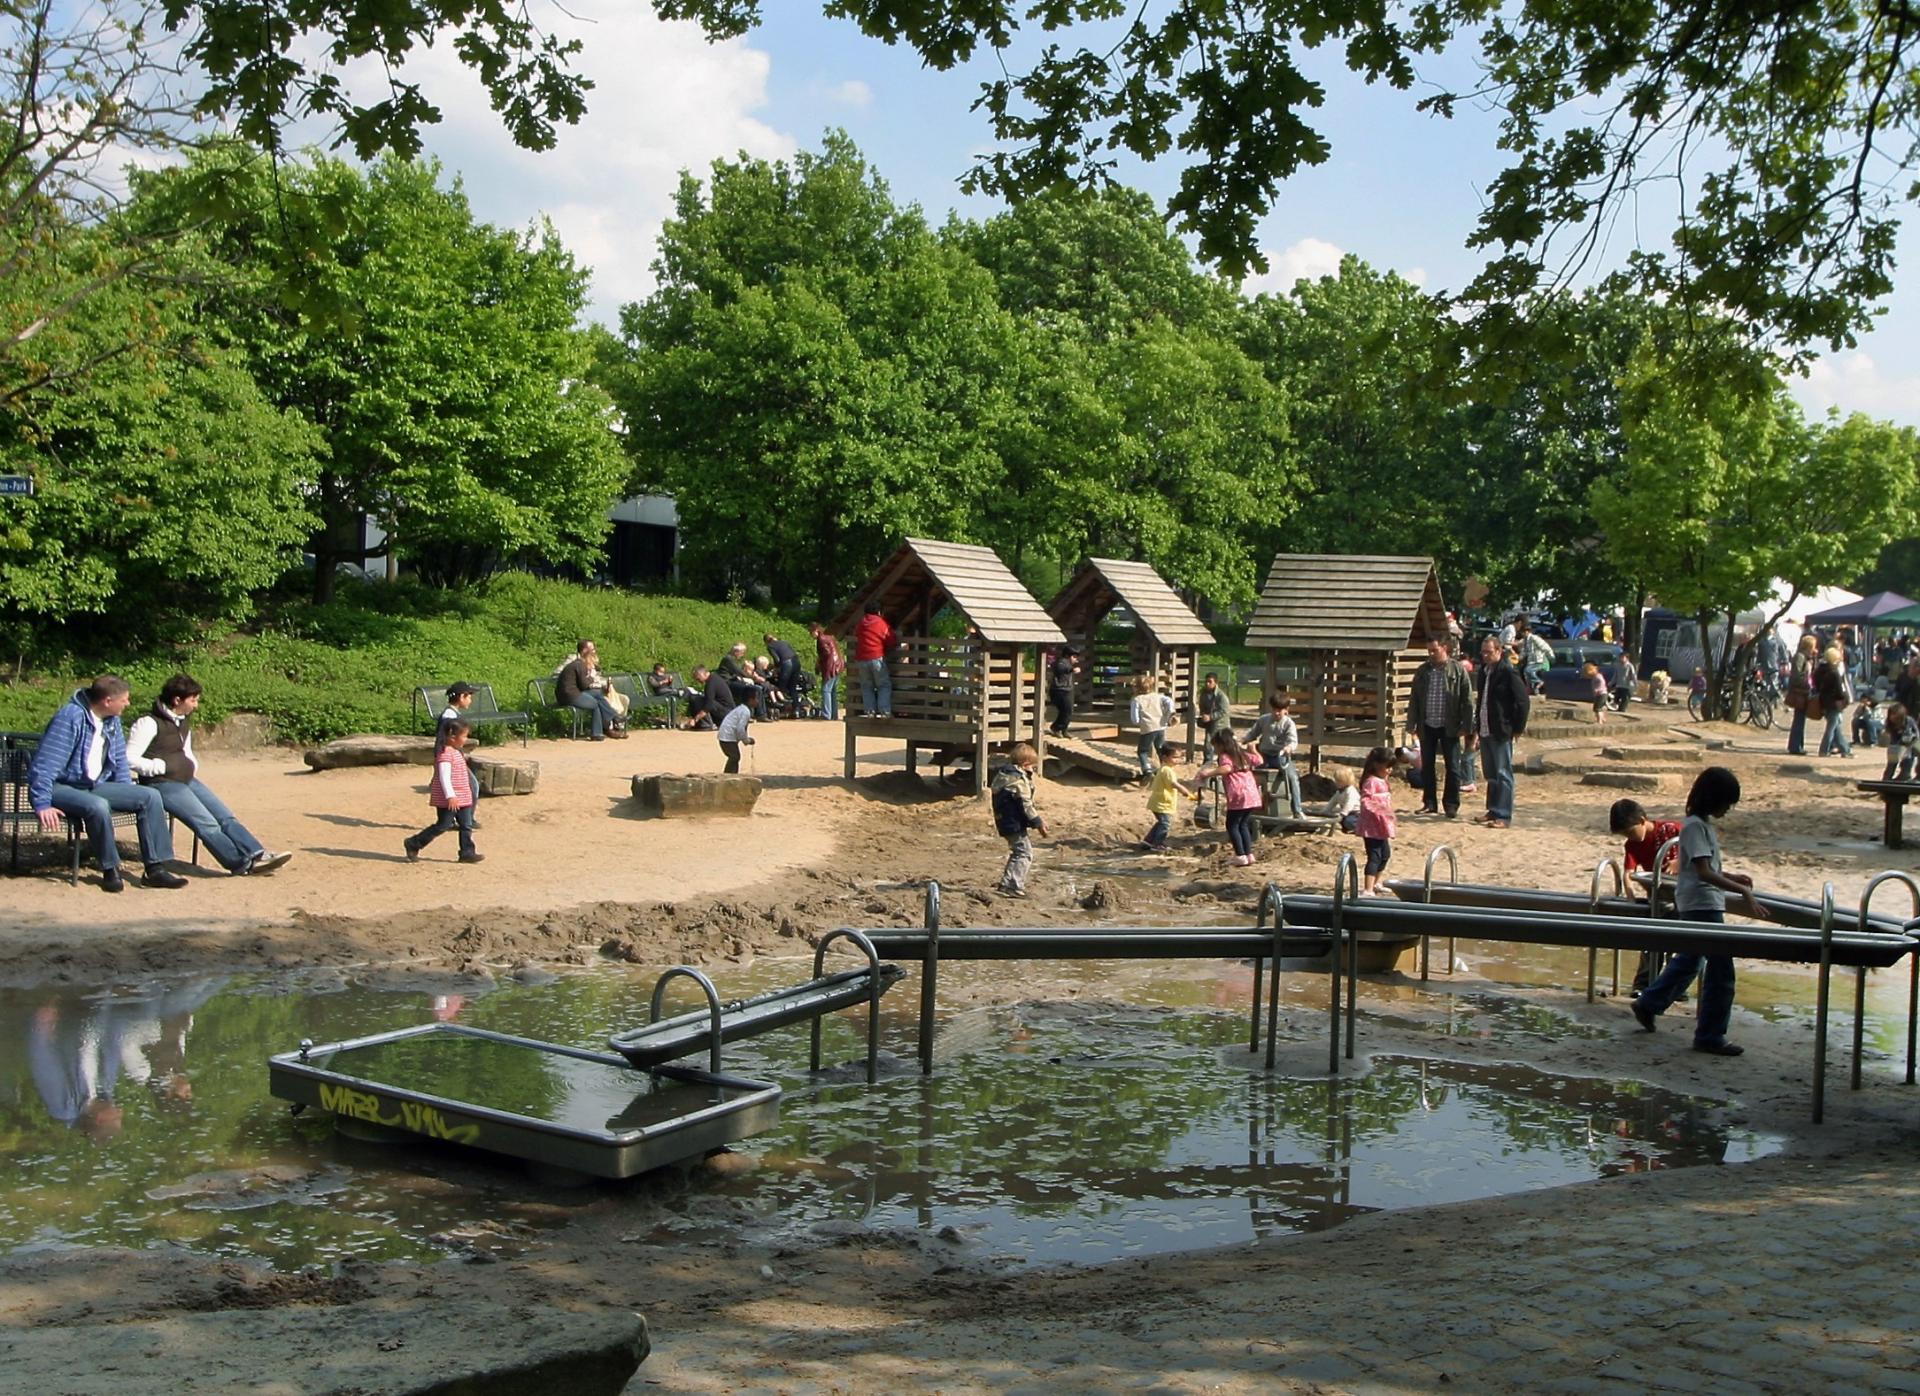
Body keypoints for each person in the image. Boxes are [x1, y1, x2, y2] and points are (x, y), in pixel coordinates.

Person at [1629, 766, 1766, 1055]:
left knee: (1691, 960)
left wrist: (1732, 877)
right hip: (1702, 903)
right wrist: (1739, 889)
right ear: (1713, 799)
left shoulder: (1699, 826)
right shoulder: (1694, 827)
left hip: (1700, 901)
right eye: (1726, 803)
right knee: (1721, 970)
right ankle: (1710, 1034)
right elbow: (1703, 872)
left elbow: (1703, 866)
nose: (1728, 809)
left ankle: (1649, 1003)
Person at [26, 675, 186, 893]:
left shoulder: (112, 720)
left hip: (94, 783)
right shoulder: (69, 718)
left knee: (149, 796)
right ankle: (110, 869)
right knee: (97, 805)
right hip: (61, 786)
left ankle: (155, 868)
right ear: (107, 701)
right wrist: (41, 803)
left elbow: (119, 760)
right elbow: (46, 763)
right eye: (125, 700)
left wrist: (126, 793)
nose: (128, 704)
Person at [125, 674, 292, 876]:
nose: (196, 705)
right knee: (206, 823)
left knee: (225, 816)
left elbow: (185, 749)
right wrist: (157, 767)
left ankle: (256, 853)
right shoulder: (148, 723)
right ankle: (239, 863)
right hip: (162, 784)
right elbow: (129, 758)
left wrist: (191, 765)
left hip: (186, 779)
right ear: (177, 700)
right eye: (193, 700)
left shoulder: (183, 721)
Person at [1610, 798, 1686, 993]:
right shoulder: (1632, 845)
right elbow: (1629, 872)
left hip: (1682, 896)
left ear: (1643, 820)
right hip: (1657, 897)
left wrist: (1679, 861)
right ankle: (1643, 985)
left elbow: (1697, 850)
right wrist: (1630, 896)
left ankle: (1673, 988)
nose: (1630, 837)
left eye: (1630, 831)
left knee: (1675, 944)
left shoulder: (1672, 830)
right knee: (1651, 942)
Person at [1405, 637, 1473, 819]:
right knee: (1427, 766)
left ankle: (1451, 804)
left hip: (1450, 725)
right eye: (1429, 651)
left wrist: (1466, 725)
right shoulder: (1423, 671)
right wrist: (1411, 723)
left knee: (1453, 767)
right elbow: (1414, 699)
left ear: (1444, 648)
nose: (1431, 654)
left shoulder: (1457, 670)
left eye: (1434, 650)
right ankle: (1429, 803)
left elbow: (1467, 700)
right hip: (1427, 724)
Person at [1467, 636, 1530, 829]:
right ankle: (1493, 809)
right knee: (1491, 773)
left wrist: (1517, 727)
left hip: (1501, 730)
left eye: (1489, 652)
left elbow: (1523, 702)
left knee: (1503, 773)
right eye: (1483, 652)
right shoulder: (1485, 672)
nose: (1485, 655)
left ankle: (1503, 814)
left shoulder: (1508, 672)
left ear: (1499, 651)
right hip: (1486, 728)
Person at [404, 720, 481, 864]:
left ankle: (467, 852)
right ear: (452, 737)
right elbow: (444, 777)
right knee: (443, 825)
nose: (466, 739)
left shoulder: (457, 752)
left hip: (463, 797)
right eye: (463, 736)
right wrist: (450, 796)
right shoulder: (445, 755)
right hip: (449, 799)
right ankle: (414, 843)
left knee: (466, 824)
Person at [1198, 730, 1263, 867]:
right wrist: (1254, 750)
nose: (1215, 750)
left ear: (1222, 745)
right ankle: (1248, 854)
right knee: (1243, 824)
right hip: (1251, 793)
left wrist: (1208, 774)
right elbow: (1259, 760)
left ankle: (1240, 855)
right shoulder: (1242, 754)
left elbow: (1226, 768)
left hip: (1238, 793)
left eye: (1216, 747)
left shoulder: (1225, 756)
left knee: (1232, 825)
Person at [990, 743, 1046, 897]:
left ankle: (1006, 883)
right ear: (1025, 765)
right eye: (1032, 767)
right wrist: (1038, 822)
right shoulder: (1018, 781)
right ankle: (1013, 885)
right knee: (1024, 853)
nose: (1032, 771)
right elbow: (1025, 804)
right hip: (1013, 822)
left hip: (1004, 820)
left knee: (1018, 851)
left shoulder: (1004, 775)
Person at [1242, 692, 1304, 817]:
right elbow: (1253, 733)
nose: (1276, 713)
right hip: (1263, 755)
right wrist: (1243, 740)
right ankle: (1249, 807)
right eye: (1274, 710)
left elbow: (1293, 741)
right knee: (1249, 775)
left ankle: (1297, 809)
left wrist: (1288, 748)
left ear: (1286, 710)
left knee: (1292, 778)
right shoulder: (1264, 720)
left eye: (1280, 710)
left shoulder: (1288, 724)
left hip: (1280, 757)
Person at [557, 640, 626, 740]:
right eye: (592, 650)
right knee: (595, 703)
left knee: (597, 695)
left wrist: (594, 682)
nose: (594, 652)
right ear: (585, 652)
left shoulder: (580, 664)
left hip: (573, 693)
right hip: (569, 696)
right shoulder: (579, 664)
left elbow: (584, 684)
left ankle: (600, 731)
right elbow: (584, 685)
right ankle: (608, 723)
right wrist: (592, 680)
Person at [1356, 746, 1397, 895]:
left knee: (1385, 855)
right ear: (1377, 765)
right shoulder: (1371, 782)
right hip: (1372, 826)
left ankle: (1376, 882)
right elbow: (1366, 800)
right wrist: (1377, 811)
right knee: (1374, 856)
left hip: (1382, 826)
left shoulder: (1382, 780)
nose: (1390, 770)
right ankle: (1367, 888)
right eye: (1388, 767)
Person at [1140, 747, 1197, 850]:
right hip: (1162, 803)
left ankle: (1148, 841)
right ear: (1165, 757)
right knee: (1165, 824)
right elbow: (1174, 784)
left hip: (1158, 802)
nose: (1177, 760)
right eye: (1174, 757)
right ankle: (1158, 844)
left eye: (1178, 757)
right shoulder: (1167, 771)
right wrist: (1187, 792)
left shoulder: (1164, 769)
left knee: (1161, 822)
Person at [851, 604, 896, 717]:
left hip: (861, 659)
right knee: (883, 685)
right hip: (876, 657)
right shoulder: (880, 623)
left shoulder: (861, 623)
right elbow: (890, 639)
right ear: (879, 612)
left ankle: (870, 711)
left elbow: (856, 634)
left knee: (867, 686)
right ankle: (884, 711)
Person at [1815, 645, 1853, 757]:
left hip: (1823, 701)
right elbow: (1839, 691)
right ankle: (1824, 749)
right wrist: (1844, 698)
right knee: (1831, 728)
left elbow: (1816, 685)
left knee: (1836, 728)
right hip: (1834, 703)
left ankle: (1845, 750)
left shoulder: (1819, 670)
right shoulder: (1834, 672)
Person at [1128, 674, 1169, 778]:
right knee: (1160, 748)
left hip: (1148, 728)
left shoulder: (1136, 700)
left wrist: (1139, 723)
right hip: (1160, 726)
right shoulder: (1158, 696)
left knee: (1142, 751)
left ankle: (1147, 770)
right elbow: (1167, 703)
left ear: (1136, 688)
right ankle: (1165, 768)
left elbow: (1135, 719)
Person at [1785, 634, 1819, 754]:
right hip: (1800, 692)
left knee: (1801, 719)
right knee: (1799, 719)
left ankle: (1798, 745)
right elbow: (1796, 675)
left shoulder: (1808, 657)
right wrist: (1806, 683)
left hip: (1805, 691)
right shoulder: (1800, 657)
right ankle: (1795, 746)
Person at [718, 642, 770, 720]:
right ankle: (760, 715)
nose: (742, 655)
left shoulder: (731, 659)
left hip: (732, 681)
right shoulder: (728, 659)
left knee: (757, 688)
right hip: (727, 683)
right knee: (753, 688)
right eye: (742, 653)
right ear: (736, 652)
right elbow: (739, 672)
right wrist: (754, 677)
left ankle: (761, 714)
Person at [809, 621, 845, 720]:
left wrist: (819, 664)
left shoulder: (821, 639)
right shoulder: (829, 637)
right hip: (839, 664)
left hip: (831, 666)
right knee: (832, 691)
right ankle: (833, 714)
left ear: (816, 631)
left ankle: (826, 714)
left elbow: (826, 654)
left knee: (826, 690)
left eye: (811, 632)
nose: (811, 635)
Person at [689, 665, 735, 730]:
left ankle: (706, 725)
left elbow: (709, 705)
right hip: (729, 711)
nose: (697, 680)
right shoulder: (714, 678)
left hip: (726, 713)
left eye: (697, 678)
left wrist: (695, 719)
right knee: (703, 699)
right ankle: (709, 723)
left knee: (698, 700)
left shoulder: (710, 683)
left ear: (702, 674)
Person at [1317, 766, 1360, 834]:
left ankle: (1359, 828)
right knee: (1336, 818)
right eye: (1336, 780)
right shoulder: (1339, 792)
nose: (1336, 782)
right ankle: (1346, 827)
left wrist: (1343, 814)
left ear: (1345, 781)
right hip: (1346, 813)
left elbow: (1349, 804)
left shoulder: (1351, 791)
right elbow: (1332, 802)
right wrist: (1324, 811)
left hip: (1355, 814)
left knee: (1348, 821)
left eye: (1339, 781)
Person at [1514, 617, 1552, 694]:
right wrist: (1519, 658)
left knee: (1527, 670)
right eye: (1521, 632)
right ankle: (1533, 689)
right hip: (1531, 661)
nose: (1522, 634)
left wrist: (1551, 656)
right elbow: (1525, 652)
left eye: (1523, 632)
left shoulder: (1534, 638)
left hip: (1538, 661)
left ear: (1527, 631)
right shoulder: (1526, 640)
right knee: (1527, 674)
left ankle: (1540, 682)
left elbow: (1545, 646)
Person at [1883, 703, 1918, 781]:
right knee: (1893, 759)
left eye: (1895, 715)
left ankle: (1906, 775)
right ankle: (1887, 778)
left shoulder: (1909, 720)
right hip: (1897, 744)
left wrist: (1911, 742)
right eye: (1891, 714)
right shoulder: (1890, 724)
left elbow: (1917, 734)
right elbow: (1893, 739)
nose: (1892, 717)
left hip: (1913, 742)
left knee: (1908, 757)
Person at [716, 701, 754, 774]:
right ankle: (727, 776)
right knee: (734, 757)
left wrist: (745, 739)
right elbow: (740, 728)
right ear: (750, 700)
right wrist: (747, 740)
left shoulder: (742, 709)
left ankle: (732, 775)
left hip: (726, 735)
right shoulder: (745, 712)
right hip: (727, 736)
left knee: (734, 757)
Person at [1047, 645, 1077, 736]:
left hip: (1066, 690)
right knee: (1066, 710)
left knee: (1068, 711)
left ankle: (1063, 729)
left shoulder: (1067, 664)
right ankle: (1056, 727)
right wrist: (1071, 669)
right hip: (1059, 691)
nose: (1076, 659)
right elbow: (1060, 669)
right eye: (1074, 657)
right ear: (1068, 656)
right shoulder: (1061, 662)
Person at [1198, 672, 1230, 740]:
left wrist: (1211, 717)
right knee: (1209, 744)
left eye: (1210, 682)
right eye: (1206, 681)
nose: (1207, 683)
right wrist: (1203, 715)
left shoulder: (1221, 696)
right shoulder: (1204, 693)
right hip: (1210, 723)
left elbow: (1224, 711)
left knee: (1213, 744)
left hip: (1220, 724)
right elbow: (1202, 706)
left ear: (1215, 683)